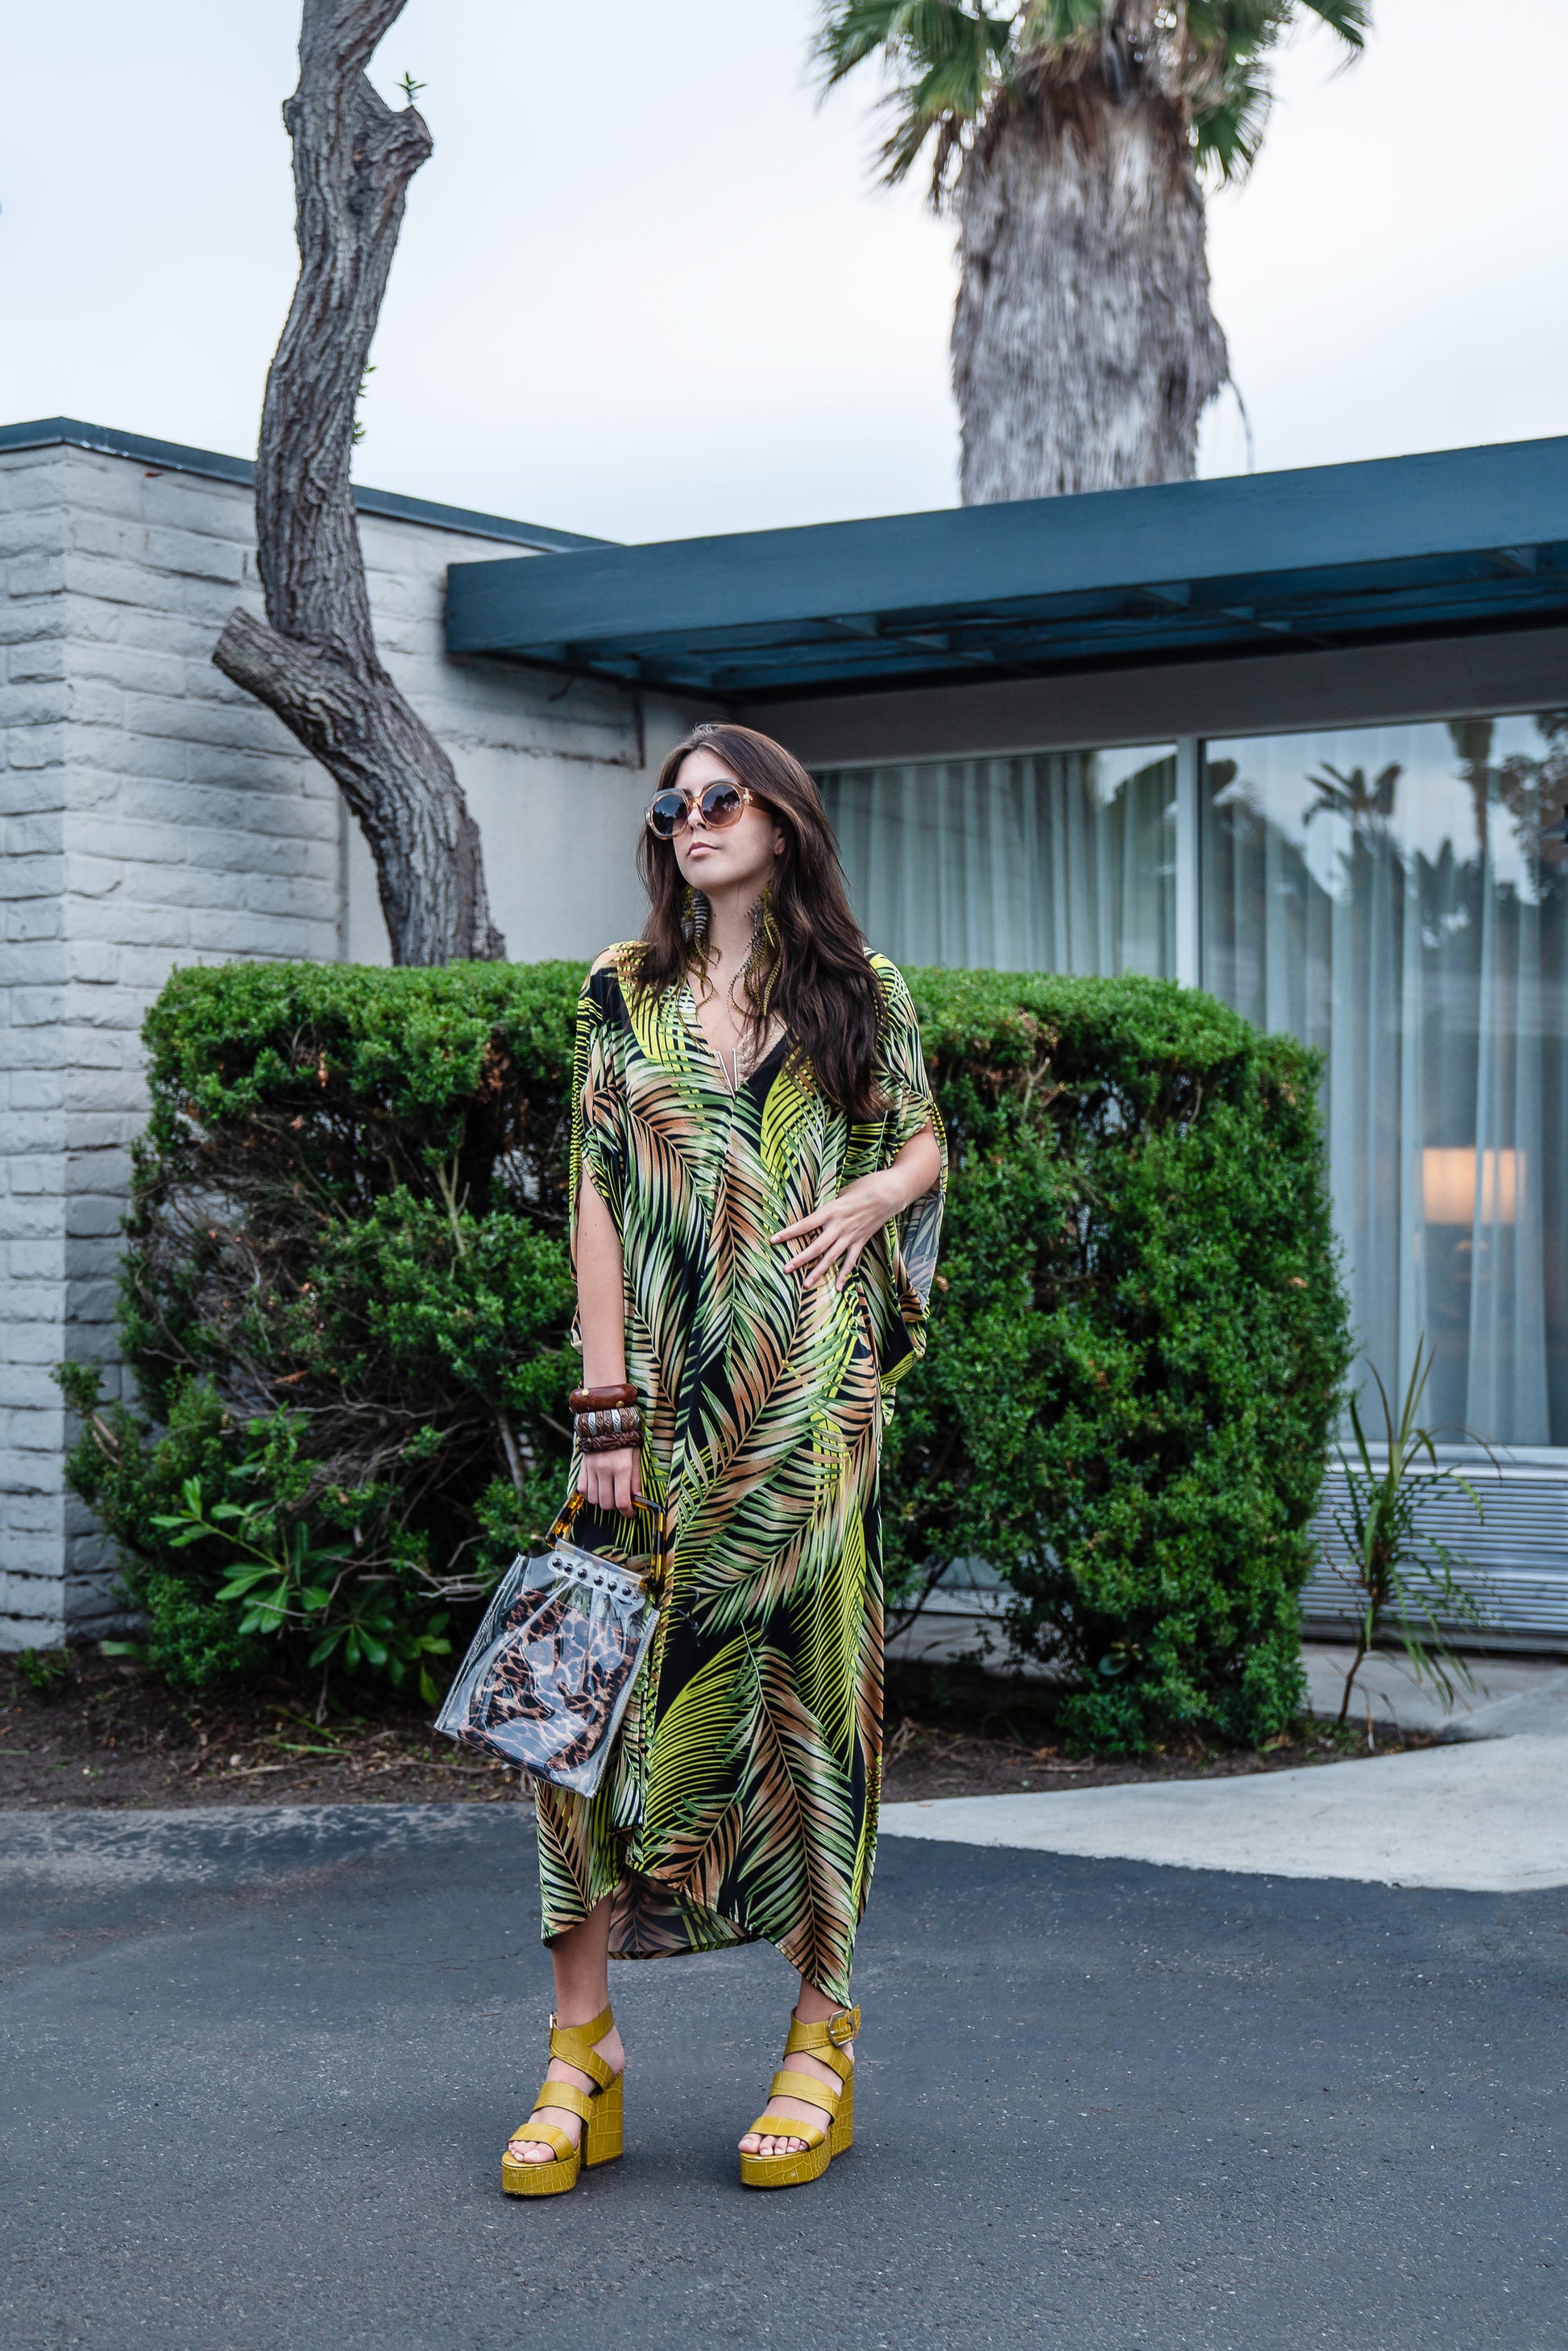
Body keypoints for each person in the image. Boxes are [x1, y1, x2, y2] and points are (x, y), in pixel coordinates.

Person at [502, 721, 945, 2196]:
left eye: (720, 797)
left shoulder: (857, 990)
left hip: (811, 1415)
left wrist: (874, 1196)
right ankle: (583, 2054)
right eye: (672, 802)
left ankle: (819, 2044)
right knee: (568, 1709)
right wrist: (604, 1400)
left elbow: (922, 1143)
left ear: (781, 821)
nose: (691, 818)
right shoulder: (616, 995)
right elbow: (595, 1198)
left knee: (817, 1710)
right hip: (654, 1419)